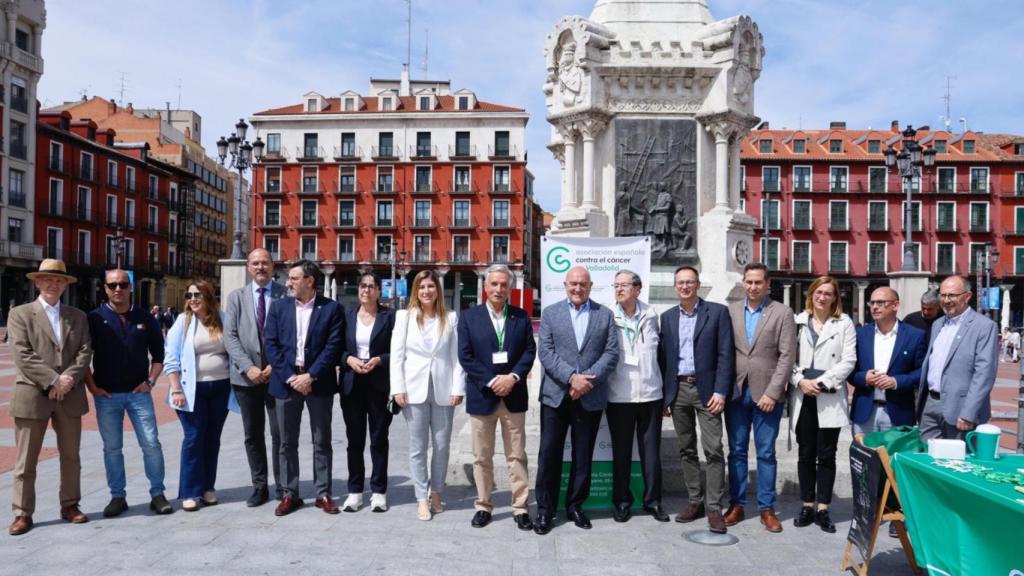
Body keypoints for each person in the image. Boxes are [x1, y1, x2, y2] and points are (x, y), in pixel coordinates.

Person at [7, 259, 93, 536]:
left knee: (71, 456)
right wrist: (53, 380)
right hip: (32, 394)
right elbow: (22, 353)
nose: (53, 285)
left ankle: (70, 505)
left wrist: (66, 380)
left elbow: (84, 352)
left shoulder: (77, 316)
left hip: (68, 395)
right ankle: (22, 512)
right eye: (48, 280)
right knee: (25, 460)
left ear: (65, 285)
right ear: (37, 282)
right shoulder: (20, 314)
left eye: (58, 281)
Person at [535, 266, 618, 534]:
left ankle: (575, 506)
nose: (577, 288)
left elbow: (611, 353)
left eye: (582, 284)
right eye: (573, 284)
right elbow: (546, 353)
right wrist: (572, 378)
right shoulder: (550, 313)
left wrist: (585, 383)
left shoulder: (604, 315)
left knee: (583, 456)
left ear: (591, 286)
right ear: (565, 284)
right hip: (556, 396)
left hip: (589, 397)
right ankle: (545, 510)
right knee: (549, 455)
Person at [86, 269, 172, 517]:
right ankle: (117, 497)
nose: (118, 289)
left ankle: (157, 494)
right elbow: (82, 357)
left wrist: (151, 381)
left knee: (151, 444)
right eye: (112, 285)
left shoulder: (146, 317)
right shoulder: (94, 318)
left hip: (139, 394)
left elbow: (159, 356)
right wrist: (92, 387)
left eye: (123, 284)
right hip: (107, 396)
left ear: (130, 287)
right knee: (112, 448)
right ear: (105, 288)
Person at [457, 264, 536, 530]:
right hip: (483, 396)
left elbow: (528, 352)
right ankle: (483, 505)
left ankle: (520, 507)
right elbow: (465, 356)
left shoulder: (521, 317)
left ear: (510, 288)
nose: (499, 289)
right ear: (485, 287)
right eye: (494, 284)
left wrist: (512, 378)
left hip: (513, 396)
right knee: (482, 456)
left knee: (517, 456)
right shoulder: (469, 318)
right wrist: (492, 381)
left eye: (504, 284)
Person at [264, 260, 345, 516]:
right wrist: (291, 377)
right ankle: (290, 493)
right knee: (286, 442)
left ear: (310, 281)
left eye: (294, 278)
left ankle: (323, 493)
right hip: (286, 384)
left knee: (321, 440)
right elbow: (271, 345)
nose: (288, 283)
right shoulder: (278, 308)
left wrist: (310, 376)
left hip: (318, 384)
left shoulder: (332, 309)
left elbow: (333, 347)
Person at [659, 266, 734, 534]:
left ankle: (714, 507)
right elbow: (663, 359)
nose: (685, 286)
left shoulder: (717, 312)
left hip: (708, 392)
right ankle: (695, 502)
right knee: (686, 448)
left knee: (713, 449)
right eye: (681, 282)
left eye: (690, 282)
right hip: (678, 391)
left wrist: (721, 392)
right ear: (675, 286)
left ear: (698, 284)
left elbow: (726, 355)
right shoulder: (666, 318)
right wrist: (665, 397)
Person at [724, 263, 795, 533]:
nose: (753, 287)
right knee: (737, 452)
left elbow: (787, 356)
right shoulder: (730, 311)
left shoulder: (782, 313)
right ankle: (737, 505)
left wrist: (773, 393)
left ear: (767, 285)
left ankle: (767, 508)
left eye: (758, 283)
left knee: (766, 453)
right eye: (749, 282)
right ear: (743, 283)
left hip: (767, 395)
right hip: (737, 393)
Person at [391, 270, 465, 521]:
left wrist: (458, 388)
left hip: (444, 389)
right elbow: (397, 356)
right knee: (418, 447)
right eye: (421, 287)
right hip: (413, 390)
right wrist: (397, 388)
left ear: (438, 290)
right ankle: (421, 498)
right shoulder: (404, 317)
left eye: (431, 286)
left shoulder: (451, 318)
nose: (426, 291)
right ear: (415, 291)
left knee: (442, 446)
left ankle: (437, 492)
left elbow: (457, 357)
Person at [790, 276, 856, 533]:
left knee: (826, 455)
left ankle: (823, 508)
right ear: (811, 295)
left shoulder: (844, 323)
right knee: (805, 453)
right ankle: (807, 504)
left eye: (828, 293)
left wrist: (822, 381)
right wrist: (799, 381)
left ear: (835, 297)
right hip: (803, 394)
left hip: (828, 395)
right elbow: (786, 357)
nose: (822, 297)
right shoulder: (797, 321)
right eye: (818, 292)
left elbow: (849, 360)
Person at [164, 280, 235, 512]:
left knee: (212, 438)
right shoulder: (182, 322)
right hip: (191, 390)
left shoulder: (222, 319)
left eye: (197, 295)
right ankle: (190, 492)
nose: (192, 299)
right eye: (189, 295)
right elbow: (171, 359)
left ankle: (208, 488)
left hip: (220, 387)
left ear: (208, 297)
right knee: (194, 438)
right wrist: (176, 389)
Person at [223, 248, 286, 507]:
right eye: (256, 263)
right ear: (249, 267)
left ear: (273, 266)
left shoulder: (285, 295)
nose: (261, 268)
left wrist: (274, 366)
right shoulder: (236, 297)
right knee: (252, 434)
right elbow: (231, 337)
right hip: (246, 380)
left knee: (280, 434)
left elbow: (291, 334)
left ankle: (283, 486)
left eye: (265, 263)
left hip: (277, 377)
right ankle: (259, 486)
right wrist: (248, 367)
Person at [606, 270, 669, 523]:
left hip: (651, 395)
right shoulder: (608, 316)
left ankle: (653, 502)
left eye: (624, 285)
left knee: (651, 454)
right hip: (619, 396)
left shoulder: (652, 315)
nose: (619, 289)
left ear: (637, 289)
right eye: (616, 285)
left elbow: (662, 356)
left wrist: (666, 394)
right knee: (621, 453)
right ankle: (622, 502)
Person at [916, 276, 998, 441]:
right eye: (943, 295)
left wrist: (969, 412)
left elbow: (984, 373)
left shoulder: (984, 326)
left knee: (959, 462)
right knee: (928, 460)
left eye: (952, 295)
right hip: (931, 404)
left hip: (960, 409)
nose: (946, 300)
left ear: (967, 296)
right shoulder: (938, 324)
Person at [339, 272, 395, 513]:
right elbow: (336, 349)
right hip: (352, 384)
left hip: (379, 385)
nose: (366, 290)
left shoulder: (389, 317)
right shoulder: (347, 316)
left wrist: (380, 360)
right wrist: (349, 359)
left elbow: (400, 351)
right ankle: (354, 492)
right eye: (363, 285)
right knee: (354, 440)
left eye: (372, 286)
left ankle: (379, 491)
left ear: (379, 292)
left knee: (379, 439)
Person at [850, 287, 927, 436]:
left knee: (893, 459)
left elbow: (922, 372)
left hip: (899, 413)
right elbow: (849, 370)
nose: (874, 307)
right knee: (865, 458)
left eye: (880, 302)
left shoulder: (915, 336)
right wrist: (864, 377)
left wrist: (896, 381)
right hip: (865, 413)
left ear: (895, 305)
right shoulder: (860, 334)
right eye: (871, 303)